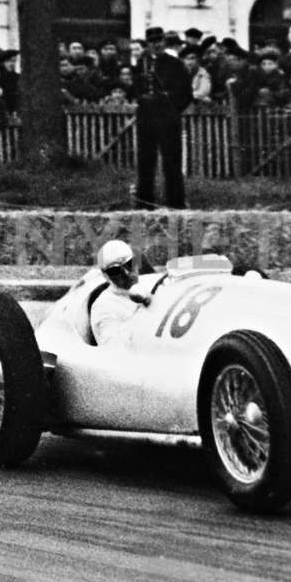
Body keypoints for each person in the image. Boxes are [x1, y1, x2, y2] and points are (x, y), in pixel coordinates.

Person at [133, 27, 193, 209]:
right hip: (146, 119)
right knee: (145, 162)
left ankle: (176, 203)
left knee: (172, 162)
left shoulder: (175, 64)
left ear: (165, 42)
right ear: (148, 44)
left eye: (159, 41)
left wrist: (171, 105)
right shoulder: (141, 63)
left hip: (168, 119)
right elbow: (135, 88)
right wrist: (142, 98)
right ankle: (144, 203)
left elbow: (186, 94)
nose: (156, 45)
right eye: (152, 42)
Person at [90, 240, 152, 346]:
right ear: (106, 276)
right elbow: (112, 349)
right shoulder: (103, 306)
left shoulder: (152, 283)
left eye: (130, 263)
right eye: (115, 270)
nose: (126, 272)